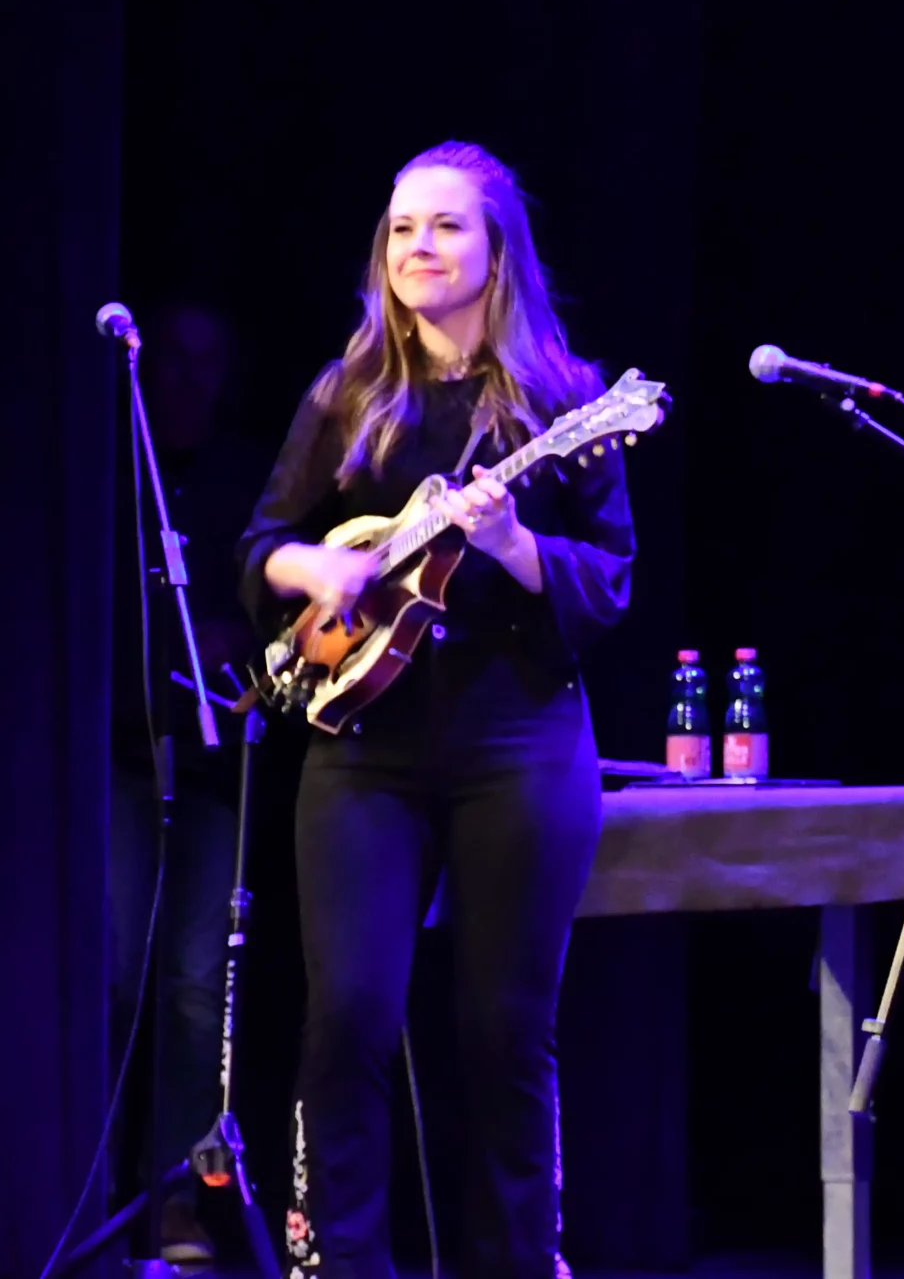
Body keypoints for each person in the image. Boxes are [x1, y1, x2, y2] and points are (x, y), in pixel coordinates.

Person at [238, 142, 633, 1279]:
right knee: (350, 1016)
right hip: (363, 744)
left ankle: (515, 1261)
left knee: (506, 1032)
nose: (418, 247)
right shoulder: (347, 393)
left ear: (497, 252)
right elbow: (262, 543)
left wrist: (517, 551)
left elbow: (611, 580)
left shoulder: (569, 401)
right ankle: (338, 1263)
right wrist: (311, 570)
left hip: (519, 740)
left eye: (446, 227)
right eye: (403, 228)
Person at [107, 302, 272, 1264]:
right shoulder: (113, 467)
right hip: (117, 759)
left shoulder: (239, 475)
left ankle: (171, 1198)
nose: (188, 382)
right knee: (117, 975)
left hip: (206, 771)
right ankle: (86, 1183)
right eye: (175, 361)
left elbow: (266, 606)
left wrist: (233, 641)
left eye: (209, 364)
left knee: (193, 989)